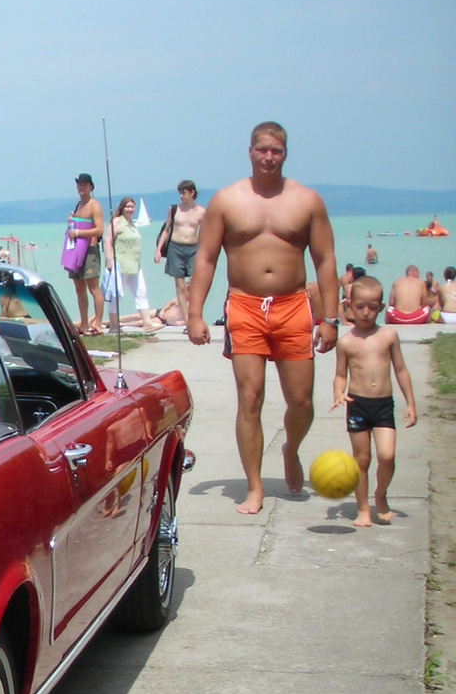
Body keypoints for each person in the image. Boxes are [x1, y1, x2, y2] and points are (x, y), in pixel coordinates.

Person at [186, 120, 339, 514]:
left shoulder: (307, 201)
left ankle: (290, 448)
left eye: (277, 150)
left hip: (293, 305)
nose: (269, 157)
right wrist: (195, 314)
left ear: (285, 153)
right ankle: (254, 487)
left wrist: (331, 318)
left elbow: (325, 261)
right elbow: (205, 258)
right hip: (244, 306)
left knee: (302, 401)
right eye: (262, 149)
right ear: (250, 151)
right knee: (250, 397)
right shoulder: (226, 200)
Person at [330, 274, 415, 527]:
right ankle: (363, 508)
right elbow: (339, 374)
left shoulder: (388, 335)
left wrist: (410, 402)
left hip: (382, 405)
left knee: (387, 456)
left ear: (381, 307)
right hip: (357, 404)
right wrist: (338, 393)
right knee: (362, 459)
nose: (366, 312)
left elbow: (400, 369)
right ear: (349, 306)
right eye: (360, 307)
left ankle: (380, 493)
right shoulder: (345, 342)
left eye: (372, 307)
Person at [104, 197, 160, 330]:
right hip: (120, 265)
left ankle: (147, 323)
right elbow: (108, 241)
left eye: (132, 207)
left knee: (141, 292)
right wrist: (109, 261)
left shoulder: (132, 224)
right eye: (127, 207)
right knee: (116, 295)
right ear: (122, 208)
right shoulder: (117, 222)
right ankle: (113, 326)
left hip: (135, 265)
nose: (130, 209)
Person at [154, 180, 204, 320]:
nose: (181, 196)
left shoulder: (201, 212)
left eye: (184, 192)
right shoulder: (174, 209)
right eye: (180, 193)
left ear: (192, 193)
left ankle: (195, 316)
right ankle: (187, 320)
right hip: (175, 247)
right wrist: (158, 250)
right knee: (180, 286)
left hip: (193, 249)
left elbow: (206, 234)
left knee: (194, 286)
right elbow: (166, 229)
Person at [66, 173, 105, 336]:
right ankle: (83, 323)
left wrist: (79, 231)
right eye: (79, 185)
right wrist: (72, 221)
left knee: (93, 287)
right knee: (79, 288)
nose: (81, 188)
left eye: (85, 185)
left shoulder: (94, 205)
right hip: (76, 251)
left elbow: (99, 229)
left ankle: (99, 322)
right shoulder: (79, 205)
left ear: (91, 187)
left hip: (90, 251)